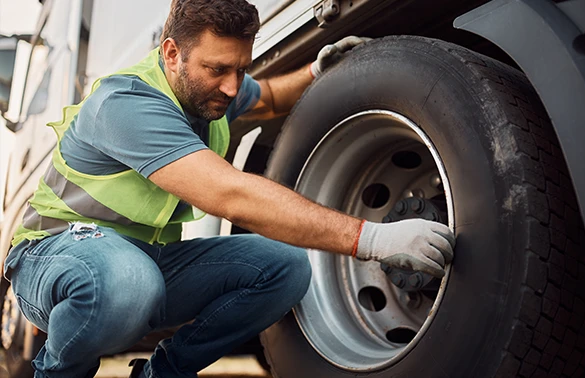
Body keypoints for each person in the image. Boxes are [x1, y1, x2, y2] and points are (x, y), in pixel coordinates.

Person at [3, 1, 456, 377]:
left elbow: (271, 97)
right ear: (172, 53)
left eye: (241, 68)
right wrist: (372, 238)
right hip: (56, 255)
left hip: (144, 259)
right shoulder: (126, 104)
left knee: (286, 267)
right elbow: (230, 195)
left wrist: (318, 71)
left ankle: (164, 374)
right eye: (219, 69)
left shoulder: (209, 88)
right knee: (127, 282)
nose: (232, 86)